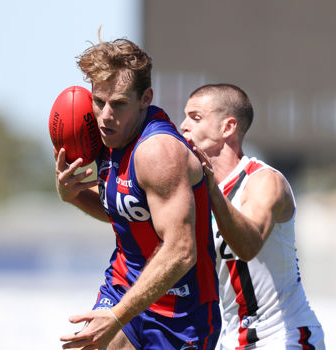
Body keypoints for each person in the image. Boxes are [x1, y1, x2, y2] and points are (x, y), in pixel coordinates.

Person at [54, 31, 221, 350]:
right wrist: (73, 195)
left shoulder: (158, 152)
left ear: (146, 98)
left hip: (181, 311)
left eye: (118, 104)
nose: (104, 116)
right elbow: (125, 211)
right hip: (122, 289)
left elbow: (181, 252)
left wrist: (117, 316)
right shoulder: (104, 137)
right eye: (98, 101)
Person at [180, 83, 325, 350]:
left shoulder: (263, 181)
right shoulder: (196, 191)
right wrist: (77, 194)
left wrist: (212, 191)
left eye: (195, 117)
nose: (183, 126)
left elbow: (248, 245)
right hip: (229, 341)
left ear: (227, 127)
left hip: (284, 337)